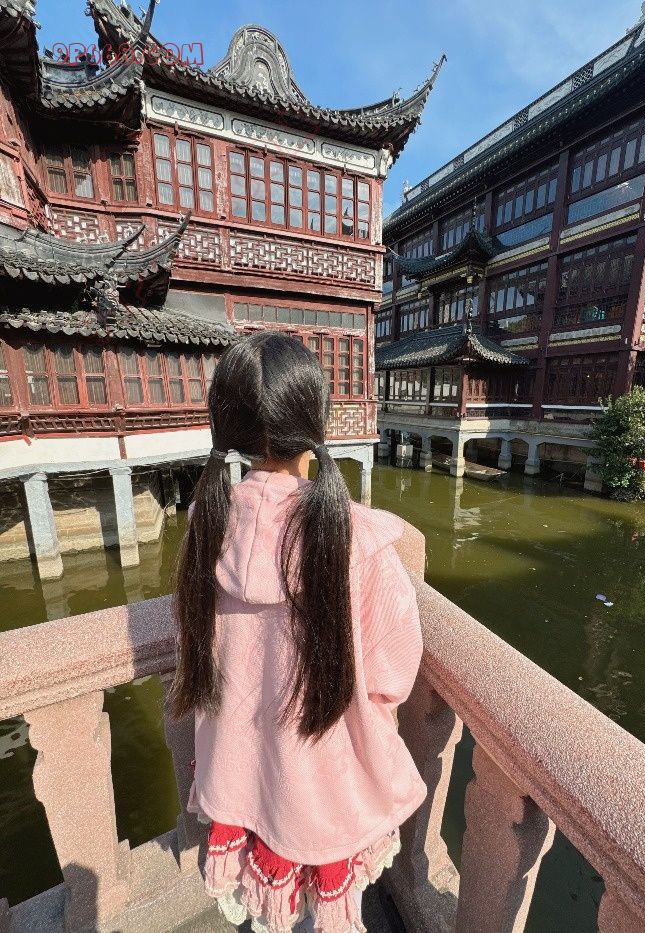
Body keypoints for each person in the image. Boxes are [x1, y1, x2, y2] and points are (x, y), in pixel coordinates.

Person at [171, 332, 426, 933]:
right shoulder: (358, 539)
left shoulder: (207, 525)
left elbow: (192, 642)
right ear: (315, 420)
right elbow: (392, 673)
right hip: (327, 781)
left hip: (239, 772)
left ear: (228, 425)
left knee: (265, 915)